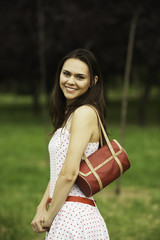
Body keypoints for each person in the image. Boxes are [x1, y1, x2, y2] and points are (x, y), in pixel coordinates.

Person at [31, 48, 110, 239]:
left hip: (73, 216)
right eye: (66, 74)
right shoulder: (71, 114)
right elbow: (61, 169)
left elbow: (69, 174)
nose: (70, 81)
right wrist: (42, 205)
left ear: (93, 81)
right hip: (64, 209)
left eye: (80, 77)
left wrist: (50, 217)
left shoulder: (84, 113)